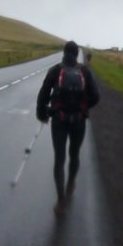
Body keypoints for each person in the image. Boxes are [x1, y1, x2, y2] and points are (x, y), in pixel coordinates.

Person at [36, 41, 99, 215]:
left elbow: (42, 95)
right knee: (74, 154)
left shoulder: (55, 70)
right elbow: (96, 96)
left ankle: (61, 200)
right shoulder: (85, 71)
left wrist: (43, 114)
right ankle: (71, 183)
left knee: (59, 158)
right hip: (79, 120)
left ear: (64, 53)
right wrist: (84, 108)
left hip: (59, 120)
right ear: (77, 53)